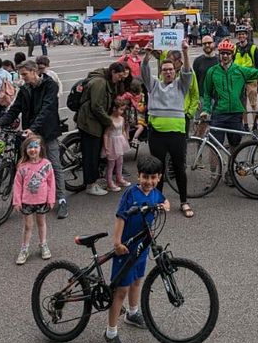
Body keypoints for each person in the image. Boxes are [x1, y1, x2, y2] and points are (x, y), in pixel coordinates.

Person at [103, 155, 170, 343]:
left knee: (137, 282)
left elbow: (164, 201)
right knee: (120, 291)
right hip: (126, 249)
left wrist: (164, 205)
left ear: (159, 178)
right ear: (139, 176)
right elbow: (120, 217)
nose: (149, 181)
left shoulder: (156, 193)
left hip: (143, 247)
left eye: (153, 177)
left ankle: (132, 313)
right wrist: (117, 243)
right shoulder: (131, 194)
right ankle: (110, 333)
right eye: (145, 177)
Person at [0, 59, 68, 219]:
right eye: (21, 74)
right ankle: (32, 196)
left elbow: (47, 109)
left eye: (25, 74)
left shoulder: (50, 85)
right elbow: (14, 109)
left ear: (34, 72)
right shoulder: (25, 88)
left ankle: (61, 200)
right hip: (30, 131)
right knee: (27, 164)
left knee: (54, 165)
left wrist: (33, 128)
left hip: (47, 131)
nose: (23, 77)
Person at [140, 41, 195, 217]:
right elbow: (144, 71)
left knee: (179, 168)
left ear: (175, 70)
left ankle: (184, 201)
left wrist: (185, 52)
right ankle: (158, 202)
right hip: (157, 134)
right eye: (165, 70)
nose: (168, 72)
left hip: (177, 133)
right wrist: (147, 55)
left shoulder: (181, 85)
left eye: (171, 69)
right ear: (161, 72)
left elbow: (187, 72)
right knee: (158, 169)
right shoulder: (153, 85)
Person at [201, 40, 258, 150]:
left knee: (235, 146)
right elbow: (207, 93)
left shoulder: (240, 71)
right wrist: (206, 109)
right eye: (222, 53)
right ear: (219, 54)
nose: (225, 56)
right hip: (218, 113)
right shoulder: (212, 71)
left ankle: (232, 166)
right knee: (214, 147)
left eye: (228, 53)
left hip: (235, 114)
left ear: (232, 55)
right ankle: (213, 168)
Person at [75, 62, 132, 197]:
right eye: (119, 75)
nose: (120, 78)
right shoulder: (99, 83)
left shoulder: (107, 81)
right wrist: (109, 121)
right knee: (91, 154)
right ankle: (90, 184)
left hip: (94, 121)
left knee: (94, 152)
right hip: (89, 122)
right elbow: (96, 106)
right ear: (112, 72)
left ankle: (93, 180)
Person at [13, 137, 56, 264]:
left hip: (42, 200)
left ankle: (43, 244)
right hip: (27, 201)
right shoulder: (22, 166)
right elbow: (17, 185)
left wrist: (51, 199)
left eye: (35, 147)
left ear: (41, 148)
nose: (33, 150)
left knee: (41, 223)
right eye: (30, 147)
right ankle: (24, 249)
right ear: (25, 150)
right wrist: (17, 201)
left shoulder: (47, 164)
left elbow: (51, 183)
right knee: (28, 226)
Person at [233, 25, 258, 124]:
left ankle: (255, 126)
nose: (241, 36)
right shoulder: (235, 48)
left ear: (246, 35)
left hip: (251, 80)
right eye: (239, 34)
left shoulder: (253, 48)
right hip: (239, 81)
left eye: (243, 34)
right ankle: (245, 124)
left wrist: (257, 80)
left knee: (253, 104)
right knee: (242, 105)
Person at [103, 98, 132, 192]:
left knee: (120, 162)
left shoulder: (122, 119)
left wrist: (125, 139)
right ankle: (109, 182)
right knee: (111, 164)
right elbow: (106, 134)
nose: (122, 111)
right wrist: (106, 147)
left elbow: (122, 130)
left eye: (123, 110)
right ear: (114, 108)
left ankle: (119, 178)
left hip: (120, 141)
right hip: (112, 142)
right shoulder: (110, 120)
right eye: (121, 109)